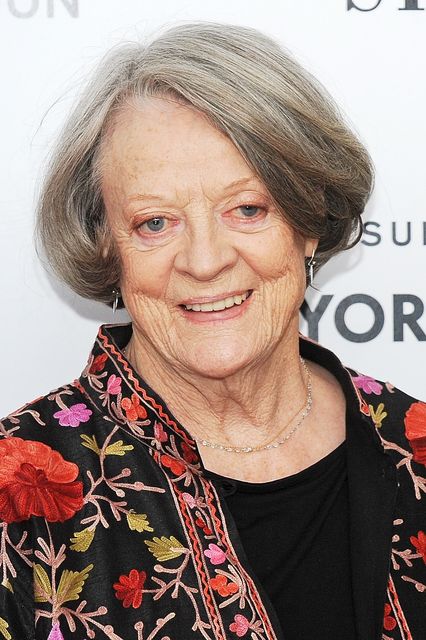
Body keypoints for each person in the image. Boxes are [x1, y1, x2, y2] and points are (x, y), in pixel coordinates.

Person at [0, 22, 425, 640]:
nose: (205, 260)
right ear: (108, 250)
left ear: (308, 222)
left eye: (247, 209)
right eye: (154, 223)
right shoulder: (13, 494)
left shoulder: (416, 450)